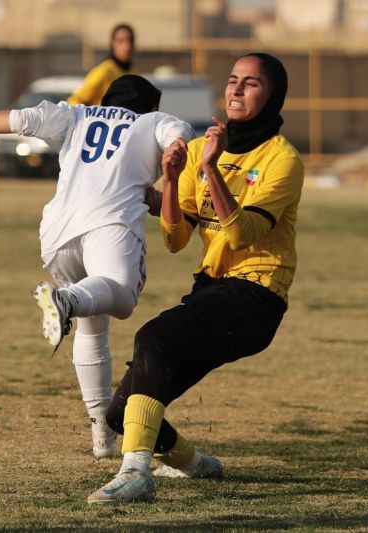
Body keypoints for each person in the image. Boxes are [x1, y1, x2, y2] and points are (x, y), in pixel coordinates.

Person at [87, 53, 304, 504]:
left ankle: (135, 473)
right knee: (120, 412)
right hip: (213, 289)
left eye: (251, 83)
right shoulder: (204, 146)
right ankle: (195, 465)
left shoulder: (282, 158)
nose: (237, 90)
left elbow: (243, 232)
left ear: (272, 95)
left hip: (257, 296)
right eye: (232, 80)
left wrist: (209, 168)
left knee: (153, 338)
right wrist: (170, 179)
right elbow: (175, 238)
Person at [0, 75, 194, 460]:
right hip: (108, 226)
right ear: (151, 107)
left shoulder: (77, 114)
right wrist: (176, 148)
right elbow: (180, 133)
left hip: (57, 233)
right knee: (121, 299)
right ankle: (66, 300)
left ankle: (101, 438)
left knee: (92, 325)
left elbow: (21, 119)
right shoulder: (151, 122)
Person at [68, 24, 135, 106]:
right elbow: (73, 101)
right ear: (113, 44)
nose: (127, 46)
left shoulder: (134, 71)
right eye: (121, 41)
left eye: (130, 40)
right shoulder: (104, 71)